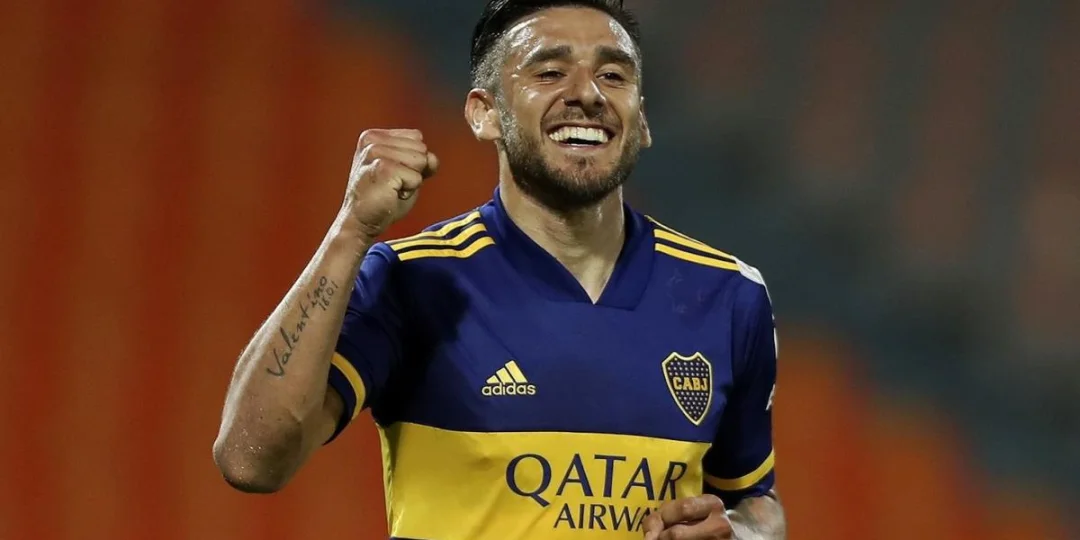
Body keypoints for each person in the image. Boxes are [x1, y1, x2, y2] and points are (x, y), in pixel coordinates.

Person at [213, 0, 787, 538]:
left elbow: (756, 502)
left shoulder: (728, 295)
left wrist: (738, 533)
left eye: (613, 76)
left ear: (642, 120)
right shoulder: (415, 280)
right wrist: (351, 230)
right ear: (485, 113)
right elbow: (250, 460)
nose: (587, 94)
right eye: (549, 72)